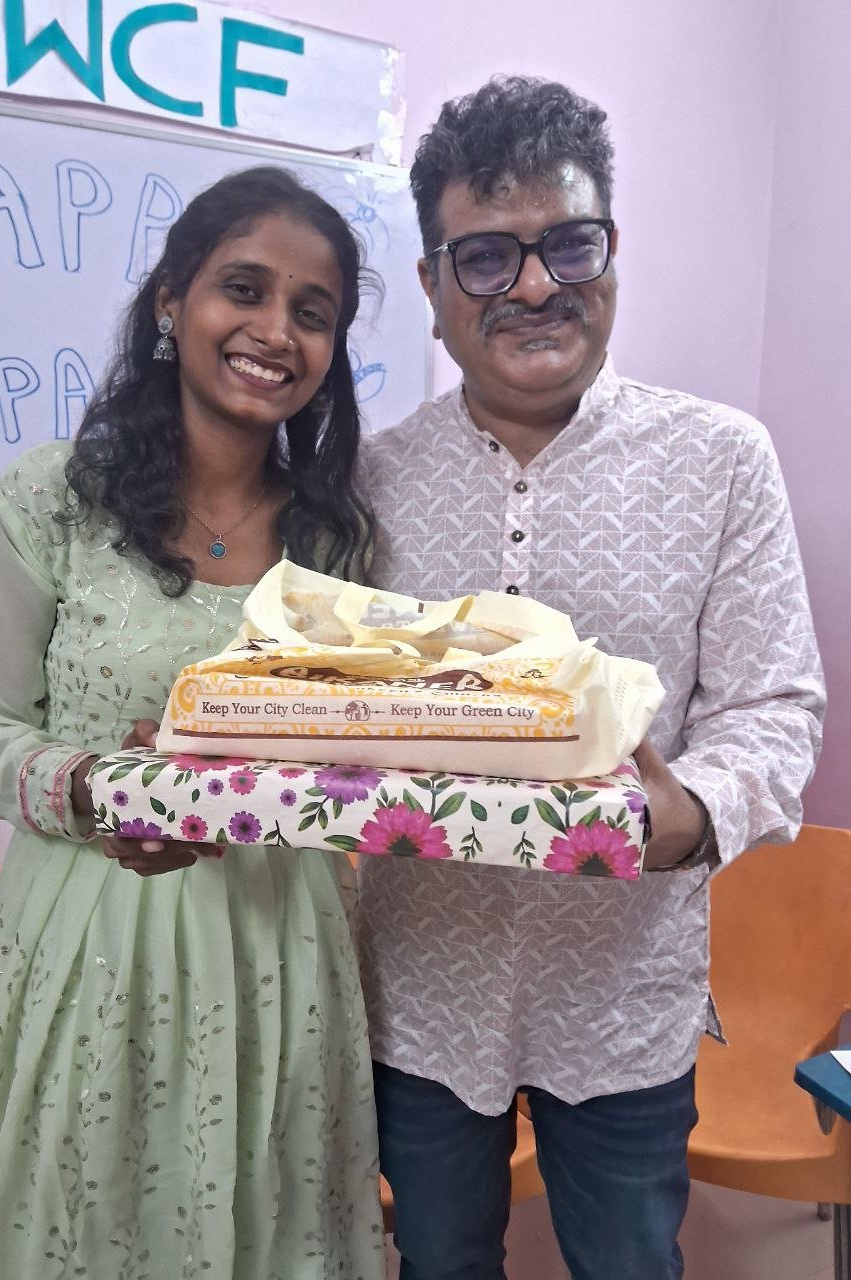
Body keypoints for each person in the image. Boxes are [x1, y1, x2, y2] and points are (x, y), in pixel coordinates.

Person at [355, 78, 825, 1280]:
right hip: (420, 988)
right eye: (485, 257)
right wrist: (61, 561)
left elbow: (776, 704)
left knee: (628, 1263)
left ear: (611, 250)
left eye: (568, 243)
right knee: (438, 1264)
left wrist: (696, 809)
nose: (532, 285)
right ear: (431, 288)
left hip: (622, 989)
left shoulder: (723, 460)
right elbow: (279, 644)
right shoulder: (365, 481)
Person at [0, 166, 386, 1280]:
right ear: (173, 301)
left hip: (279, 947)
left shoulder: (339, 542)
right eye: (244, 289)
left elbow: (359, 755)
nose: (275, 332)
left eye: (312, 312)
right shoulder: (51, 501)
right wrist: (104, 790)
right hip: (85, 942)